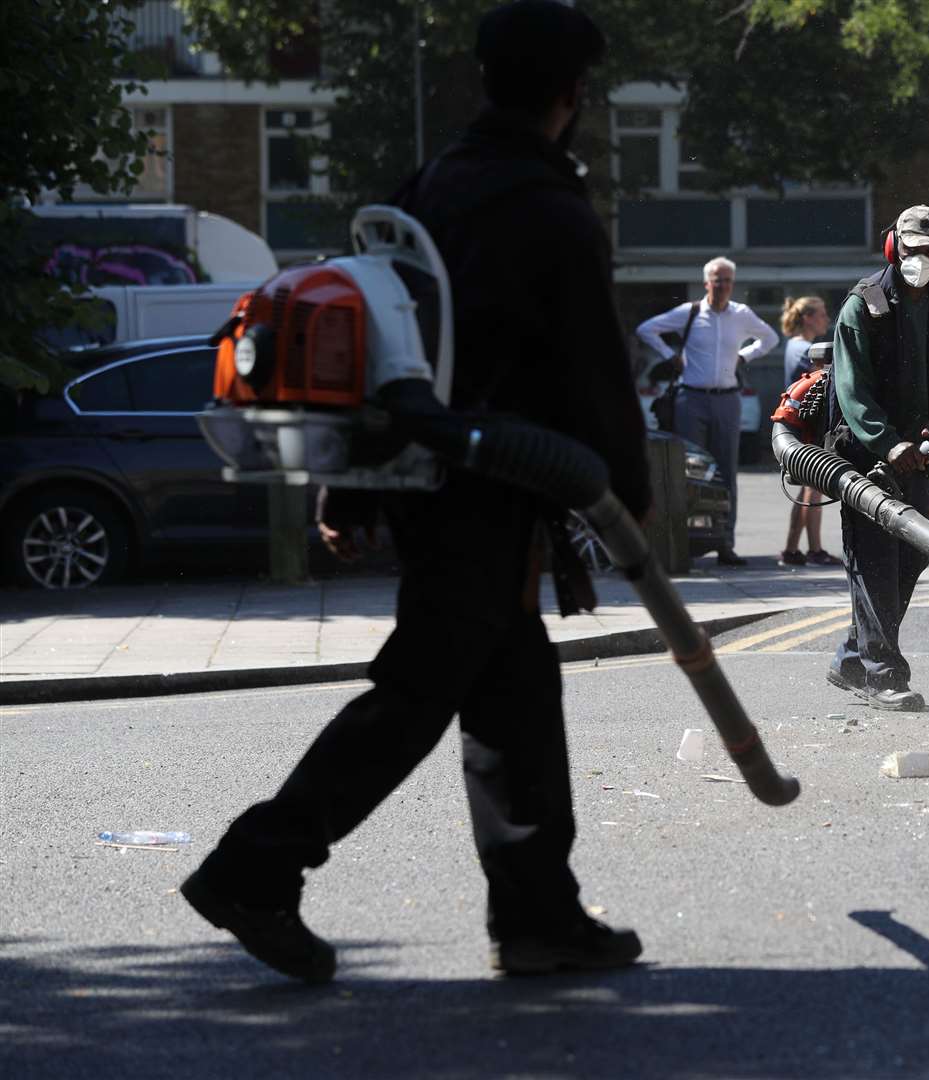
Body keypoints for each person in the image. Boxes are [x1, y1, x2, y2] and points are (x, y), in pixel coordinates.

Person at [179, 0, 650, 983]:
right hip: (492, 488)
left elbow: (381, 337)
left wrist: (351, 492)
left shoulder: (429, 186)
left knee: (512, 693)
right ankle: (256, 868)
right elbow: (591, 371)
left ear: (488, 82)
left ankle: (538, 918)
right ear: (572, 94)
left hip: (425, 480)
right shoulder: (552, 210)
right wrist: (627, 496)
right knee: (419, 692)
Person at [827, 205, 929, 711]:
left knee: (910, 561)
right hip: (865, 459)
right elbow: (852, 390)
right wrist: (889, 442)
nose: (922, 259)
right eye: (914, 249)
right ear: (895, 247)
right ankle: (883, 675)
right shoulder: (862, 305)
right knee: (874, 565)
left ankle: (852, 657)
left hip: (920, 461)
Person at [636, 258, 779, 566]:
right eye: (716, 279)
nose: (722, 285)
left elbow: (770, 338)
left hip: (727, 400)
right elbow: (646, 329)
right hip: (692, 399)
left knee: (726, 472)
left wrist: (744, 356)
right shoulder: (690, 313)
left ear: (733, 283)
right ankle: (686, 541)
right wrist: (669, 355)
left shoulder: (741, 314)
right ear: (706, 283)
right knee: (690, 471)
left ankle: (725, 544)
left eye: (727, 280)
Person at [777, 296, 838, 568]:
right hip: (810, 424)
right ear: (808, 318)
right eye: (822, 314)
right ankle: (815, 550)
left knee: (806, 490)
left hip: (796, 424)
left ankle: (791, 549)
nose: (826, 318)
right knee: (814, 489)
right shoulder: (810, 350)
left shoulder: (794, 345)